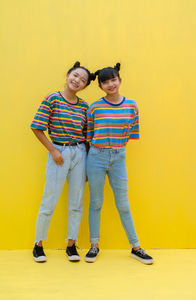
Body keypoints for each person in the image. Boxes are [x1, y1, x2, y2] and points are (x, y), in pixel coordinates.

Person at [85, 63, 154, 264]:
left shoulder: (131, 105)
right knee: (96, 203)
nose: (110, 84)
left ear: (120, 80)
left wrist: (117, 148)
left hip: (119, 157)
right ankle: (94, 245)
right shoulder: (95, 107)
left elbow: (132, 131)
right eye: (105, 82)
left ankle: (136, 247)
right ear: (100, 87)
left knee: (123, 204)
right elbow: (88, 135)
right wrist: (91, 161)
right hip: (95, 157)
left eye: (113, 79)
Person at [31, 61, 94, 263]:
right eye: (75, 76)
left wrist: (86, 165)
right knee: (49, 199)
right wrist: (53, 151)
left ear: (85, 86)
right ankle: (38, 244)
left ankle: (71, 245)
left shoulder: (84, 106)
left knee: (76, 202)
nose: (77, 81)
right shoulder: (53, 98)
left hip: (80, 154)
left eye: (83, 80)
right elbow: (36, 127)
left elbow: (86, 136)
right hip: (59, 152)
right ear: (68, 75)